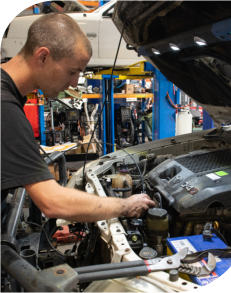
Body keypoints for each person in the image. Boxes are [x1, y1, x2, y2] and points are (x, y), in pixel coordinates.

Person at [0, 13, 155, 223]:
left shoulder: (9, 94)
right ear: (43, 56)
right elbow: (52, 202)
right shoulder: (5, 107)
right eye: (73, 71)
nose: (74, 83)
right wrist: (126, 205)